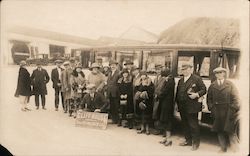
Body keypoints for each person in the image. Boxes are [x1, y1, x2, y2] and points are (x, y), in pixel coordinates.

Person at [207, 67, 240, 153]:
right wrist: (212, 108)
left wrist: (233, 109)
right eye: (217, 73)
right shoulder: (213, 85)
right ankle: (223, 148)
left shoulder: (230, 84)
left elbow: (236, 98)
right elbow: (209, 99)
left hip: (228, 112)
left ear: (224, 74)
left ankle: (235, 150)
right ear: (215, 75)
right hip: (217, 112)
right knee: (219, 130)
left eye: (221, 73)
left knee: (230, 131)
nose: (219, 75)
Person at [175, 63, 206, 151]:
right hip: (182, 106)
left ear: (190, 69)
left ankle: (196, 143)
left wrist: (196, 94)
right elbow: (178, 93)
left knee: (193, 125)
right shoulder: (181, 80)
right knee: (184, 124)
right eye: (183, 69)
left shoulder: (196, 79)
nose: (185, 71)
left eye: (186, 69)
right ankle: (188, 140)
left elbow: (204, 89)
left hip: (192, 106)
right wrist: (177, 104)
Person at [156, 69, 175, 146]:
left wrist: (158, 95)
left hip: (167, 104)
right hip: (165, 103)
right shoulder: (169, 80)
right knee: (164, 120)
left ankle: (168, 139)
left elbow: (164, 91)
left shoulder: (169, 81)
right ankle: (166, 138)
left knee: (167, 121)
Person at [134, 71, 154, 135]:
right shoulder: (138, 82)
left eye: (144, 75)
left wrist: (145, 94)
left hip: (147, 101)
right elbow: (136, 90)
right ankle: (142, 128)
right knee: (141, 115)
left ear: (146, 75)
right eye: (141, 75)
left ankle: (147, 129)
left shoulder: (149, 82)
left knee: (147, 116)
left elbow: (151, 91)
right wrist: (138, 94)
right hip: (139, 101)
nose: (143, 76)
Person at [107, 60, 120, 124]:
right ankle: (113, 119)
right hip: (110, 92)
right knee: (112, 106)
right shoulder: (109, 73)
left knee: (116, 106)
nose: (112, 66)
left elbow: (119, 84)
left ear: (116, 66)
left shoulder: (119, 73)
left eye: (114, 65)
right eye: (111, 65)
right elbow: (108, 83)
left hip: (116, 93)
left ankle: (117, 120)